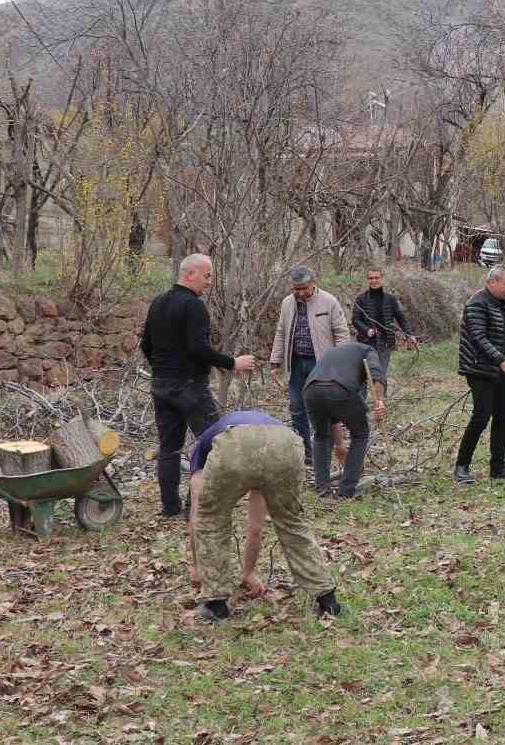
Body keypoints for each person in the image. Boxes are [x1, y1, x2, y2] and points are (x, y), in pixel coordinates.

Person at [185, 410, 341, 623]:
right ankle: (328, 600)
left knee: (211, 518)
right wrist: (248, 572)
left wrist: (196, 567)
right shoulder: (257, 432)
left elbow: (198, 517)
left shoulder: (202, 450)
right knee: (291, 521)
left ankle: (215, 605)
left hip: (236, 444)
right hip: (285, 442)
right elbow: (255, 527)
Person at [141, 254, 257, 518]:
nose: (209, 282)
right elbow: (198, 349)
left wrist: (162, 370)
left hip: (161, 386)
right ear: (190, 274)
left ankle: (170, 508)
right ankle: (196, 506)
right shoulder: (193, 306)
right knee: (213, 443)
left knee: (169, 448)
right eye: (206, 276)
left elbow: (145, 345)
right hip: (190, 387)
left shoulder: (158, 303)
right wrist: (233, 362)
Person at [267, 266, 352, 465]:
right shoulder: (287, 304)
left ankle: (331, 448)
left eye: (304, 288)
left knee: (325, 408)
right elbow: (281, 332)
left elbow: (341, 333)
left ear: (313, 283)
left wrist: (339, 361)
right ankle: (306, 453)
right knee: (297, 409)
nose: (301, 292)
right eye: (297, 289)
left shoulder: (329, 301)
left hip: (322, 364)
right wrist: (275, 361)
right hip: (296, 363)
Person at [453, 264, 505, 483]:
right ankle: (461, 467)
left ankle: (498, 468)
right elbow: (478, 337)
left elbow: (502, 338)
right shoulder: (477, 304)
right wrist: (502, 361)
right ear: (492, 282)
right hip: (479, 369)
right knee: (481, 416)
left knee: (503, 416)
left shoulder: (497, 303)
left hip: (499, 369)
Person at [302, 342, 387, 497]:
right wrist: (380, 401)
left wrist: (340, 446)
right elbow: (377, 375)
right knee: (360, 434)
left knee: (321, 435)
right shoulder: (369, 350)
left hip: (311, 390)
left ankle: (322, 487)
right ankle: (346, 490)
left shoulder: (334, 353)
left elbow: (333, 417)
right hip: (340, 388)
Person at [351, 268, 415, 380]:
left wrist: (409, 335)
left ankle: (381, 397)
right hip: (366, 344)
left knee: (381, 376)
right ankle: (363, 398)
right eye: (371, 278)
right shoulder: (361, 299)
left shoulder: (391, 299)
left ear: (382, 279)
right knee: (364, 377)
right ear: (367, 280)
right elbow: (355, 320)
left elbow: (401, 319)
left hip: (385, 344)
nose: (374, 281)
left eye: (377, 278)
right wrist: (368, 331)